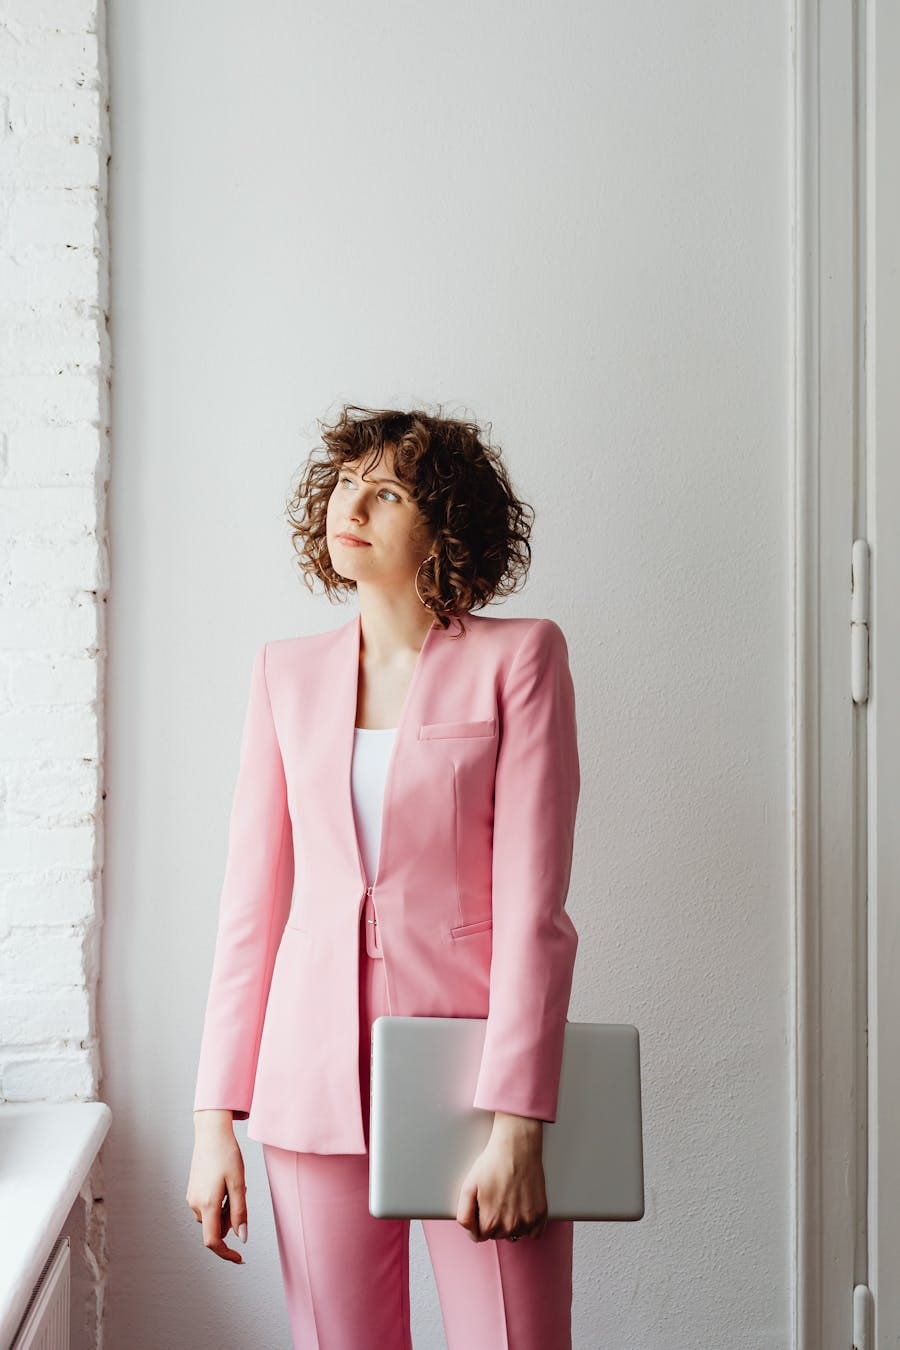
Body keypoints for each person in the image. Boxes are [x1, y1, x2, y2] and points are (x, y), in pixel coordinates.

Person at [186, 405, 581, 1349]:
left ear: (443, 523)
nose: (350, 503)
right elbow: (251, 909)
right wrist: (213, 1122)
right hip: (310, 1079)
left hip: (476, 1079)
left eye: (389, 490)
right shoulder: (284, 673)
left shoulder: (519, 659)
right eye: (346, 482)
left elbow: (535, 908)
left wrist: (519, 1120)